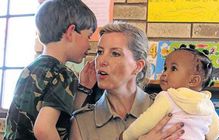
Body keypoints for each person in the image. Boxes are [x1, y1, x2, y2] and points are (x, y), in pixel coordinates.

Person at [70, 22, 185, 140]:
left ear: (138, 66)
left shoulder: (169, 108)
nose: (101, 61)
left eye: (115, 53)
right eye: (100, 52)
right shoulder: (81, 123)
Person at [4, 0, 97, 139]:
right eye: (88, 36)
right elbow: (43, 129)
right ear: (71, 32)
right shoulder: (63, 74)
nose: (89, 46)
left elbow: (63, 111)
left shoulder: (30, 68)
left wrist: (84, 88)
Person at [122, 44, 219, 140]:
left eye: (173, 68)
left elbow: (145, 122)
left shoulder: (168, 97)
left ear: (193, 80)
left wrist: (126, 136)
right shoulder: (206, 104)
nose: (165, 73)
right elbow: (215, 132)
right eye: (165, 68)